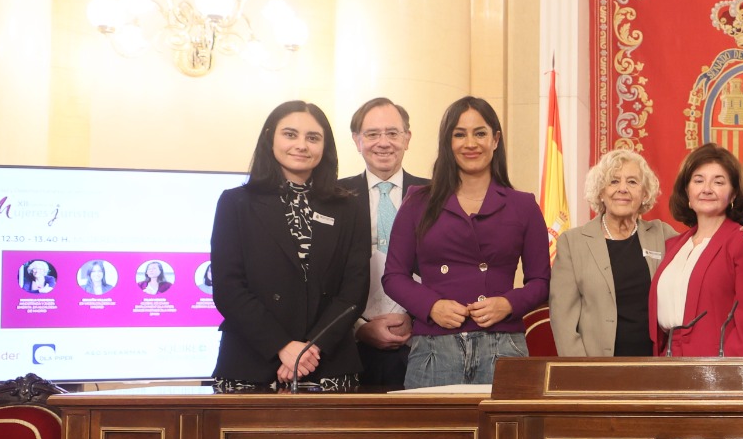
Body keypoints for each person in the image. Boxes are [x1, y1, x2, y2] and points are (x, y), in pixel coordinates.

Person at [383, 96, 550, 386]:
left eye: (480, 133)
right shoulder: (418, 202)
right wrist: (432, 306)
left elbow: (541, 282)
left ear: (495, 140)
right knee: (436, 432)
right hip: (435, 345)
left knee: (505, 433)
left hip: (502, 344)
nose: (470, 143)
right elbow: (394, 276)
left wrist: (508, 304)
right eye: (459, 134)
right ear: (447, 142)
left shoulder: (523, 205)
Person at [209, 100, 369, 391]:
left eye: (313, 137)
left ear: (325, 146)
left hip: (328, 364)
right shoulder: (236, 203)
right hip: (251, 362)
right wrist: (281, 346)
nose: (301, 145)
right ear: (271, 138)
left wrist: (311, 348)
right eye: (290, 134)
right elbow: (228, 287)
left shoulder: (349, 206)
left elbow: (354, 289)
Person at [551, 148, 678, 356]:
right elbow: (562, 318)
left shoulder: (662, 235)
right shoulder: (572, 243)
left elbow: (701, 248)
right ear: (601, 192)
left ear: (645, 194)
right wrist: (580, 372)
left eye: (632, 182)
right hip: (596, 371)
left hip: (655, 367)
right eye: (613, 181)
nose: (622, 189)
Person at [338, 96, 429, 388]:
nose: (383, 142)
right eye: (372, 134)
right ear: (357, 140)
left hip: (423, 346)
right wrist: (358, 328)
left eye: (392, 133)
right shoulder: (333, 198)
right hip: (348, 350)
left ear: (407, 138)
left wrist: (417, 320)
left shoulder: (435, 195)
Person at [649, 143, 743, 356]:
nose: (706, 189)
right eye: (698, 180)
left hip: (717, 366)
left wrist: (730, 373)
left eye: (718, 182)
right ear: (687, 191)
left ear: (733, 194)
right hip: (666, 363)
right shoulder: (674, 245)